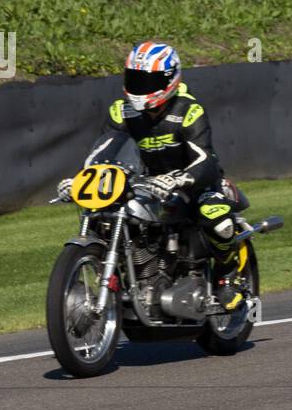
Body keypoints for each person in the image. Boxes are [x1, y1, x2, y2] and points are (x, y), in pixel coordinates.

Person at [57, 42, 242, 297]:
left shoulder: (188, 110)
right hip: (146, 182)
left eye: (148, 81)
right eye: (135, 79)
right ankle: (127, 280)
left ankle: (227, 275)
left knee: (215, 216)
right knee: (104, 216)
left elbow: (205, 158)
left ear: (170, 79)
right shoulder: (122, 111)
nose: (140, 88)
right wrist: (82, 179)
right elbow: (104, 151)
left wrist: (181, 178)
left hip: (194, 182)